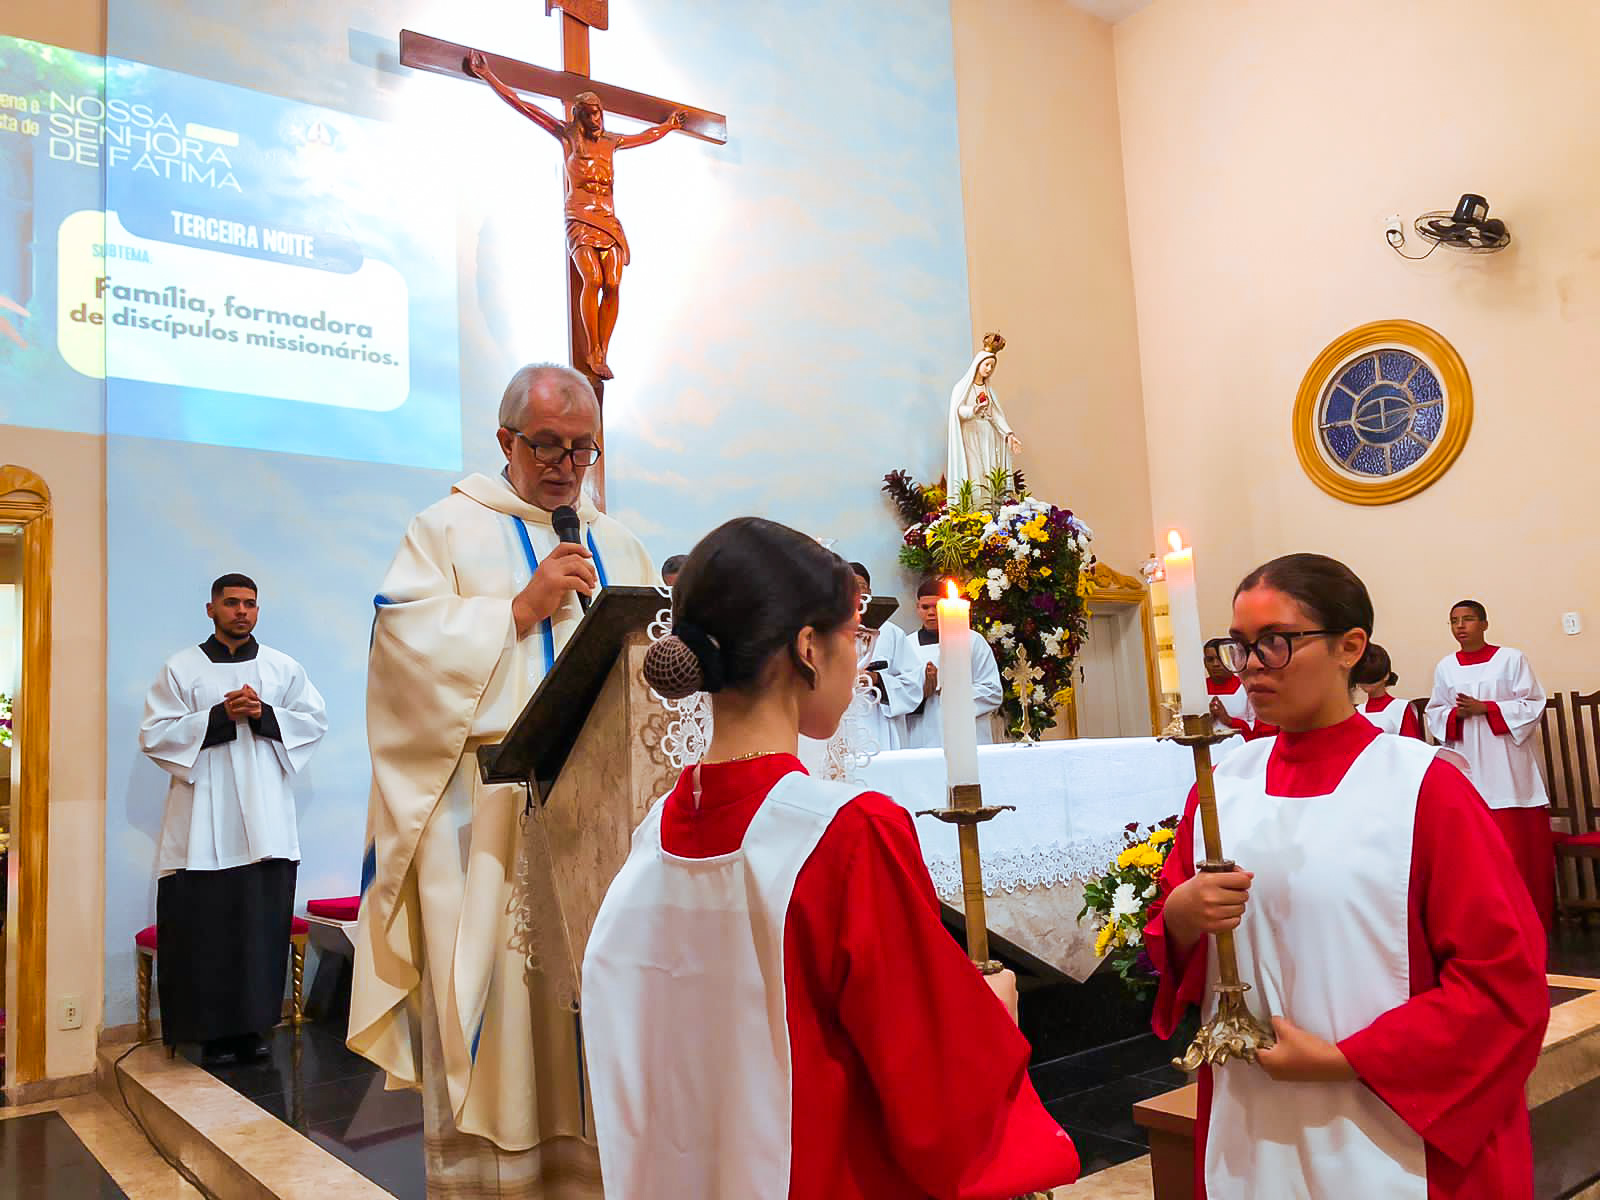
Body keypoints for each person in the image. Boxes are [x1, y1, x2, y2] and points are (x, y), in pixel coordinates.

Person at [582, 518, 1078, 1199]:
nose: (862, 656)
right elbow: (936, 1091)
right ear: (809, 647)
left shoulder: (652, 840)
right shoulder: (845, 835)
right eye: (855, 633)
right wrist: (989, 1011)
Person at [1144, 554, 1547, 1200]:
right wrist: (1182, 916)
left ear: (1349, 647)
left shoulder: (1425, 786)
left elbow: (1503, 985)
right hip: (1251, 1127)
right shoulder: (1220, 788)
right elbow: (1177, 945)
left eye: (1274, 643)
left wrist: (1340, 1060)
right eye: (1239, 645)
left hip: (1394, 1129)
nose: (1249, 666)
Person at [350, 364, 658, 1197]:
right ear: (505, 441)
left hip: (600, 817)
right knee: (502, 1005)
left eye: (581, 448)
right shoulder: (446, 529)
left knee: (592, 999)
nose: (564, 464)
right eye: (547, 444)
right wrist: (518, 610)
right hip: (485, 819)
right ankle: (498, 1178)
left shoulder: (617, 540)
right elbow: (401, 652)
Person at [139, 573, 327, 1064]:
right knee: (204, 932)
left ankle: (253, 1029)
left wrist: (263, 713)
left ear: (257, 611)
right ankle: (209, 1034)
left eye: (250, 604)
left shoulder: (282, 668)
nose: (241, 611)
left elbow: (313, 722)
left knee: (258, 931)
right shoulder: (181, 668)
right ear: (211, 609)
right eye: (231, 603)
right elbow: (155, 734)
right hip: (200, 822)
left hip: (266, 823)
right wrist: (220, 716)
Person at [469, 50, 687, 381]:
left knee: (613, 282)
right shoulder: (567, 137)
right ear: (579, 115)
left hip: (608, 221)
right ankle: (592, 351)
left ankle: (604, 350)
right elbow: (524, 106)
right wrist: (489, 76)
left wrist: (669, 126)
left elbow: (647, 136)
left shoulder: (612, 143)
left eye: (600, 113)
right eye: (590, 114)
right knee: (593, 278)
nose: (597, 119)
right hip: (580, 218)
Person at [1425, 601, 1553, 931]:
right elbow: (1435, 712)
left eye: (1468, 619)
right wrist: (1456, 715)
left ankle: (1529, 920)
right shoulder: (1445, 667)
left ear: (1484, 623)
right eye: (1454, 621)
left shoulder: (1511, 659)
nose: (1460, 626)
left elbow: (1533, 704)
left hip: (1507, 767)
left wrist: (1488, 708)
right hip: (1469, 764)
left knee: (1517, 851)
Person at [901, 578, 1004, 749]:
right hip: (922, 737)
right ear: (917, 608)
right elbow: (898, 696)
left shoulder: (972, 641)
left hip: (968, 737)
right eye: (925, 607)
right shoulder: (906, 645)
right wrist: (921, 688)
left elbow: (992, 692)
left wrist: (948, 687)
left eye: (936, 606)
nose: (931, 613)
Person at [847, 562, 922, 753]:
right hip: (840, 724)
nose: (855, 592)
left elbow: (913, 684)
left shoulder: (891, 633)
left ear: (870, 591)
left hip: (879, 725)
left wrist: (878, 680)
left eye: (860, 586)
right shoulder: (827, 631)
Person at [946, 332, 1021, 500]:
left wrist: (1009, 434)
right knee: (974, 472)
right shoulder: (962, 388)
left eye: (992, 366)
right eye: (986, 364)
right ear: (978, 364)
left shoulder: (989, 391)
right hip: (970, 435)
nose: (989, 369)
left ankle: (991, 509)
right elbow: (958, 411)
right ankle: (975, 509)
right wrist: (973, 410)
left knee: (989, 470)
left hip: (988, 436)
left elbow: (996, 415)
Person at [1354, 642, 1422, 738]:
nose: (1366, 685)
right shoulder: (1357, 712)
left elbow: (1413, 745)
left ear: (1386, 676)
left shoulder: (1401, 709)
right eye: (1363, 681)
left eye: (1371, 681)